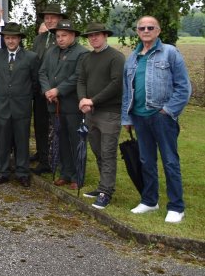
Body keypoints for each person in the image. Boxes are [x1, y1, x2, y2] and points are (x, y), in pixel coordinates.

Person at [122, 16, 191, 223]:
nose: (146, 30)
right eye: (141, 28)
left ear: (158, 31)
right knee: (146, 161)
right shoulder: (132, 58)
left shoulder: (169, 52)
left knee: (170, 161)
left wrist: (168, 110)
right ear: (137, 32)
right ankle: (150, 200)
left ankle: (176, 207)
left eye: (150, 27)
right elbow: (127, 91)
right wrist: (127, 117)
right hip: (139, 117)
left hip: (162, 117)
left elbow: (184, 87)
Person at [77, 22, 124, 209]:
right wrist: (82, 100)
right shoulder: (87, 58)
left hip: (110, 113)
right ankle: (102, 186)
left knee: (108, 152)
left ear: (105, 35)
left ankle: (106, 192)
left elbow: (116, 84)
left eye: (97, 35)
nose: (93, 38)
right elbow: (81, 80)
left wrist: (92, 100)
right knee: (97, 151)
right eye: (90, 36)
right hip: (91, 113)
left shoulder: (116, 57)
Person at [38, 19, 88, 189]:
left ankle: (77, 176)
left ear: (73, 35)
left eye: (64, 36)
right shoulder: (51, 51)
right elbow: (42, 72)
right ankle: (65, 173)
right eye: (58, 36)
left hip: (71, 104)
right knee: (61, 139)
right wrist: (47, 91)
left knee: (75, 140)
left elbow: (77, 77)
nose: (60, 39)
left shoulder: (81, 53)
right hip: (53, 103)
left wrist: (58, 90)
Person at [0, 23, 39, 187]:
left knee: (22, 141)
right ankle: (3, 172)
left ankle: (22, 172)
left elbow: (35, 82)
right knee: (2, 141)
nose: (11, 41)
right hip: (2, 106)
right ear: (4, 39)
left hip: (22, 106)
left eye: (14, 38)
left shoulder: (31, 57)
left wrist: (23, 95)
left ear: (19, 39)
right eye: (8, 38)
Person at [30, 3, 66, 174]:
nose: (50, 20)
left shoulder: (63, 38)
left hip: (57, 90)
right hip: (39, 90)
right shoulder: (39, 39)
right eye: (47, 17)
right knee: (40, 124)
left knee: (57, 126)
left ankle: (56, 158)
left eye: (53, 17)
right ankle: (43, 155)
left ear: (60, 19)